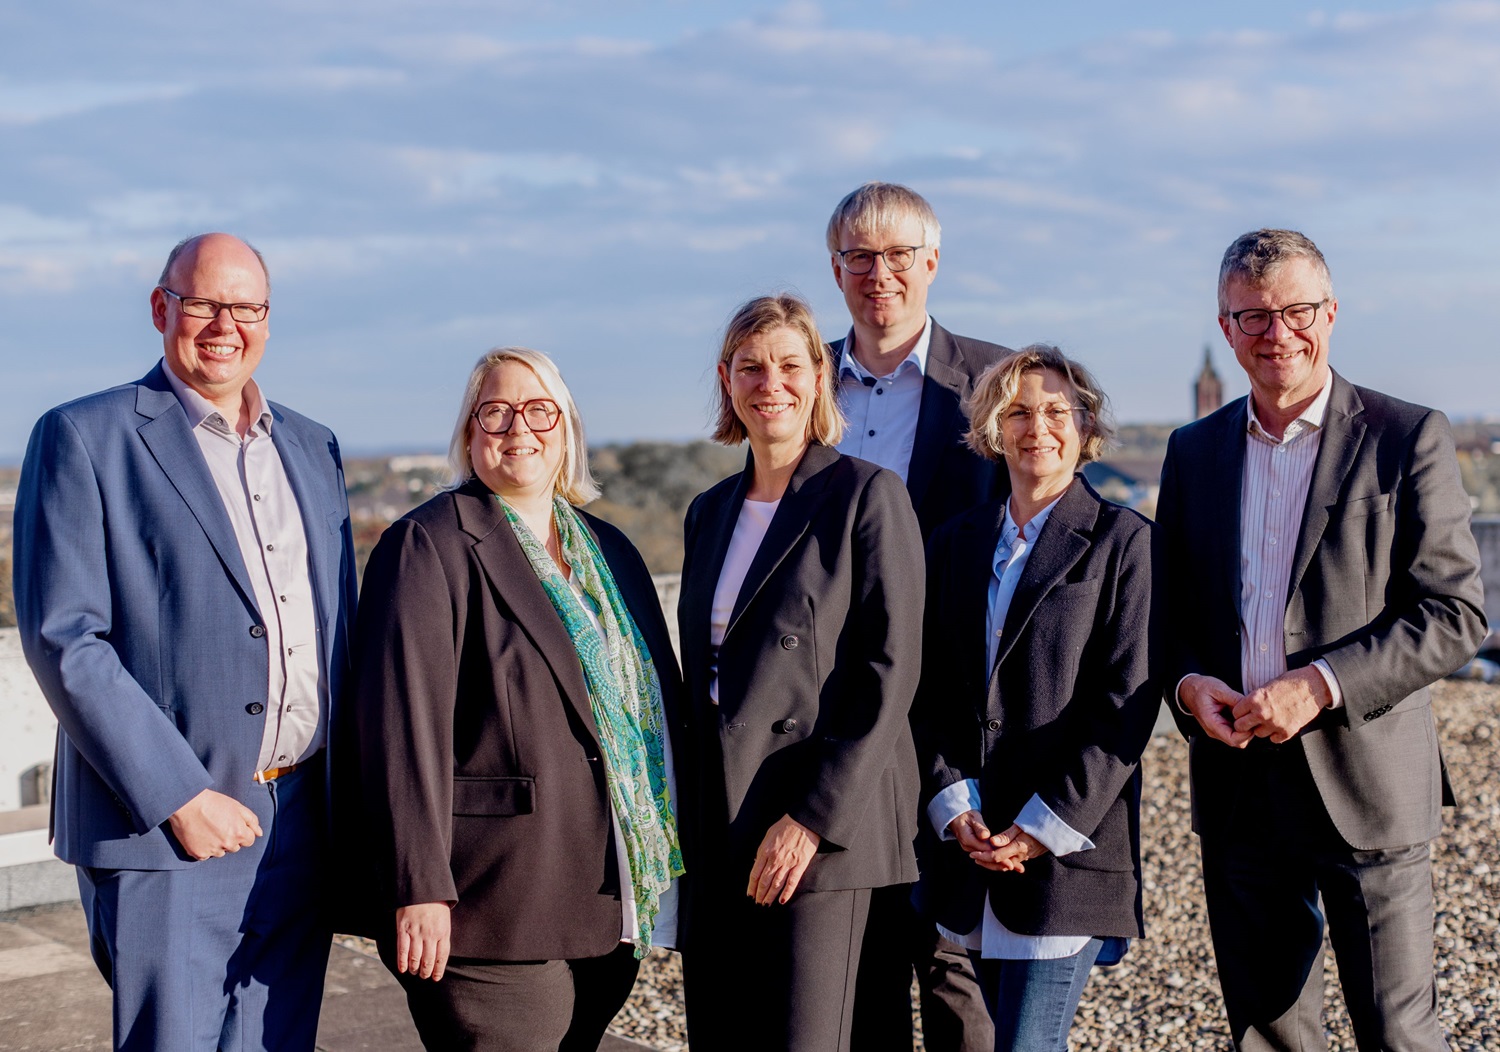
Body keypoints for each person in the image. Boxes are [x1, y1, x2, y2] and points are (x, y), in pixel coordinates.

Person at [13, 233, 357, 1051]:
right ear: (162, 307)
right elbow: (66, 637)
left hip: (304, 819)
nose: (223, 324)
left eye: (245, 307)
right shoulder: (84, 436)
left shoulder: (313, 445)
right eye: (203, 302)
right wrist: (180, 796)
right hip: (165, 828)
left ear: (267, 320)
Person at [1156, 228, 1487, 1051]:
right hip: (1239, 789)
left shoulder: (1408, 436)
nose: (1278, 335)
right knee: (1266, 1033)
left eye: (1296, 312)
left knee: (1398, 1033)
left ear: (1331, 313)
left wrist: (1321, 684)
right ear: (1226, 328)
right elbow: (1171, 620)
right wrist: (1190, 688)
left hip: (1367, 782)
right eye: (1254, 318)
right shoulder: (1192, 451)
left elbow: (1454, 613)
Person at [350, 347, 685, 1052]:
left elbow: (654, 705)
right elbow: (399, 730)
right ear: (469, 433)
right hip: (487, 906)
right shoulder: (429, 544)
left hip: (604, 900)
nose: (518, 429)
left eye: (539, 411)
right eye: (495, 412)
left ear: (567, 431)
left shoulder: (609, 550)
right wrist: (419, 887)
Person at [677, 293, 925, 1052]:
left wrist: (813, 818)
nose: (769, 383)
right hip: (724, 826)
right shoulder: (708, 510)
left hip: (823, 831)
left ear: (821, 376)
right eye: (750, 367)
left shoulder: (866, 496)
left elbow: (891, 672)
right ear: (726, 380)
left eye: (789, 364)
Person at [915, 345, 1156, 1052]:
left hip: (1064, 859)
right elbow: (924, 689)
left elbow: (1126, 703)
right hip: (969, 852)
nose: (1037, 427)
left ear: (1085, 429)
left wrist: (1040, 825)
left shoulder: (1125, 544)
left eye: (1057, 411)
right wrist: (953, 804)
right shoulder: (954, 543)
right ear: (992, 427)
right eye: (1017, 411)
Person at [826, 180, 1007, 1052]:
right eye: (860, 256)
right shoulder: (799, 382)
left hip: (951, 710)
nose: (880, 274)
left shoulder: (997, 385)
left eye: (899, 255)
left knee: (951, 969)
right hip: (831, 714)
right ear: (836, 270)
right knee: (856, 968)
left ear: (931, 263)